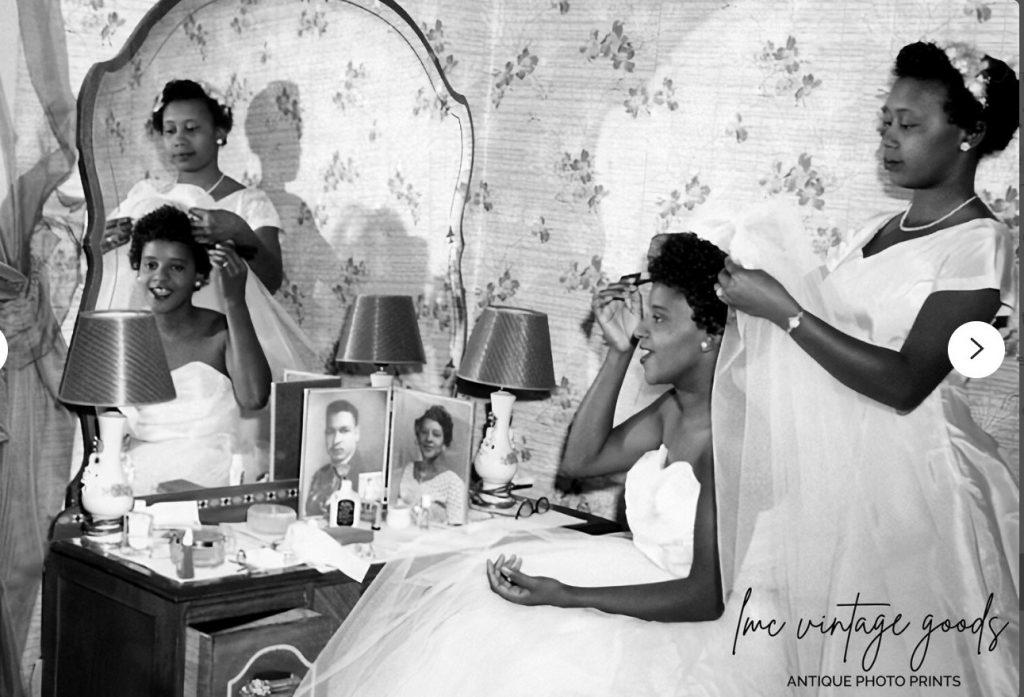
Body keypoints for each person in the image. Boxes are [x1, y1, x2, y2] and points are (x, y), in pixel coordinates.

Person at [295, 234, 788, 696]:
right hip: (649, 576)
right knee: (475, 614)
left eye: (658, 319)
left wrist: (567, 595)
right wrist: (617, 354)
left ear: (709, 334)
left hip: (707, 626)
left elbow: (705, 597)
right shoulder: (676, 408)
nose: (641, 330)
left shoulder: (731, 435)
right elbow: (581, 460)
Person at [709, 41, 1018, 692]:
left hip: (911, 479)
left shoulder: (980, 244)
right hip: (834, 466)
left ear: (971, 133)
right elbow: (822, 333)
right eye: (885, 122)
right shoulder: (874, 230)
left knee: (882, 660)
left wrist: (786, 309)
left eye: (910, 125)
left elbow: (906, 382)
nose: (890, 138)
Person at [97, 79, 318, 381]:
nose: (179, 140)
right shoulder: (144, 200)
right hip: (160, 344)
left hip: (228, 344)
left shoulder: (248, 202)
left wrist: (239, 232)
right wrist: (104, 248)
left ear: (219, 132)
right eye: (170, 130)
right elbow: (127, 284)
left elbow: (271, 279)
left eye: (191, 128)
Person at [122, 203, 271, 494]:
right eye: (150, 265)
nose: (160, 278)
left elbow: (255, 397)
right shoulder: (124, 338)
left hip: (208, 489)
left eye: (176, 267)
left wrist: (235, 301)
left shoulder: (221, 332)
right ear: (137, 270)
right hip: (137, 488)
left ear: (199, 276)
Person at [395, 405, 468, 525]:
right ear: (418, 437)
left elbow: (457, 530)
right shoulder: (408, 469)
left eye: (436, 434)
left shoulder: (453, 483)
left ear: (445, 443)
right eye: (424, 432)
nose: (429, 438)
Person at [304, 400, 378, 517]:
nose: (336, 440)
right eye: (330, 432)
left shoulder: (369, 474)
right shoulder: (320, 475)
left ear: (356, 433)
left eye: (344, 431)